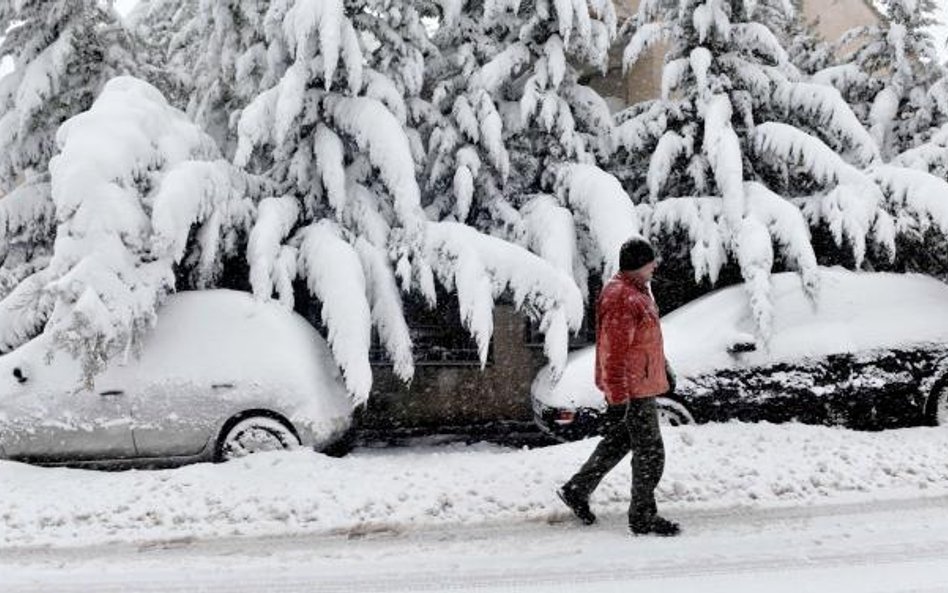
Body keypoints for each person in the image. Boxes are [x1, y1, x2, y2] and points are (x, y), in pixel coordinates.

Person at [556, 237, 680, 537]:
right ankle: (643, 516)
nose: (654, 267)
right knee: (651, 452)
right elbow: (614, 353)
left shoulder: (636, 292)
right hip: (632, 391)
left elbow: (643, 343)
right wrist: (618, 400)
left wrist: (663, 368)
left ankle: (577, 489)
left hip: (639, 384)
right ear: (639, 264)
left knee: (620, 442)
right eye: (650, 262)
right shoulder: (623, 297)